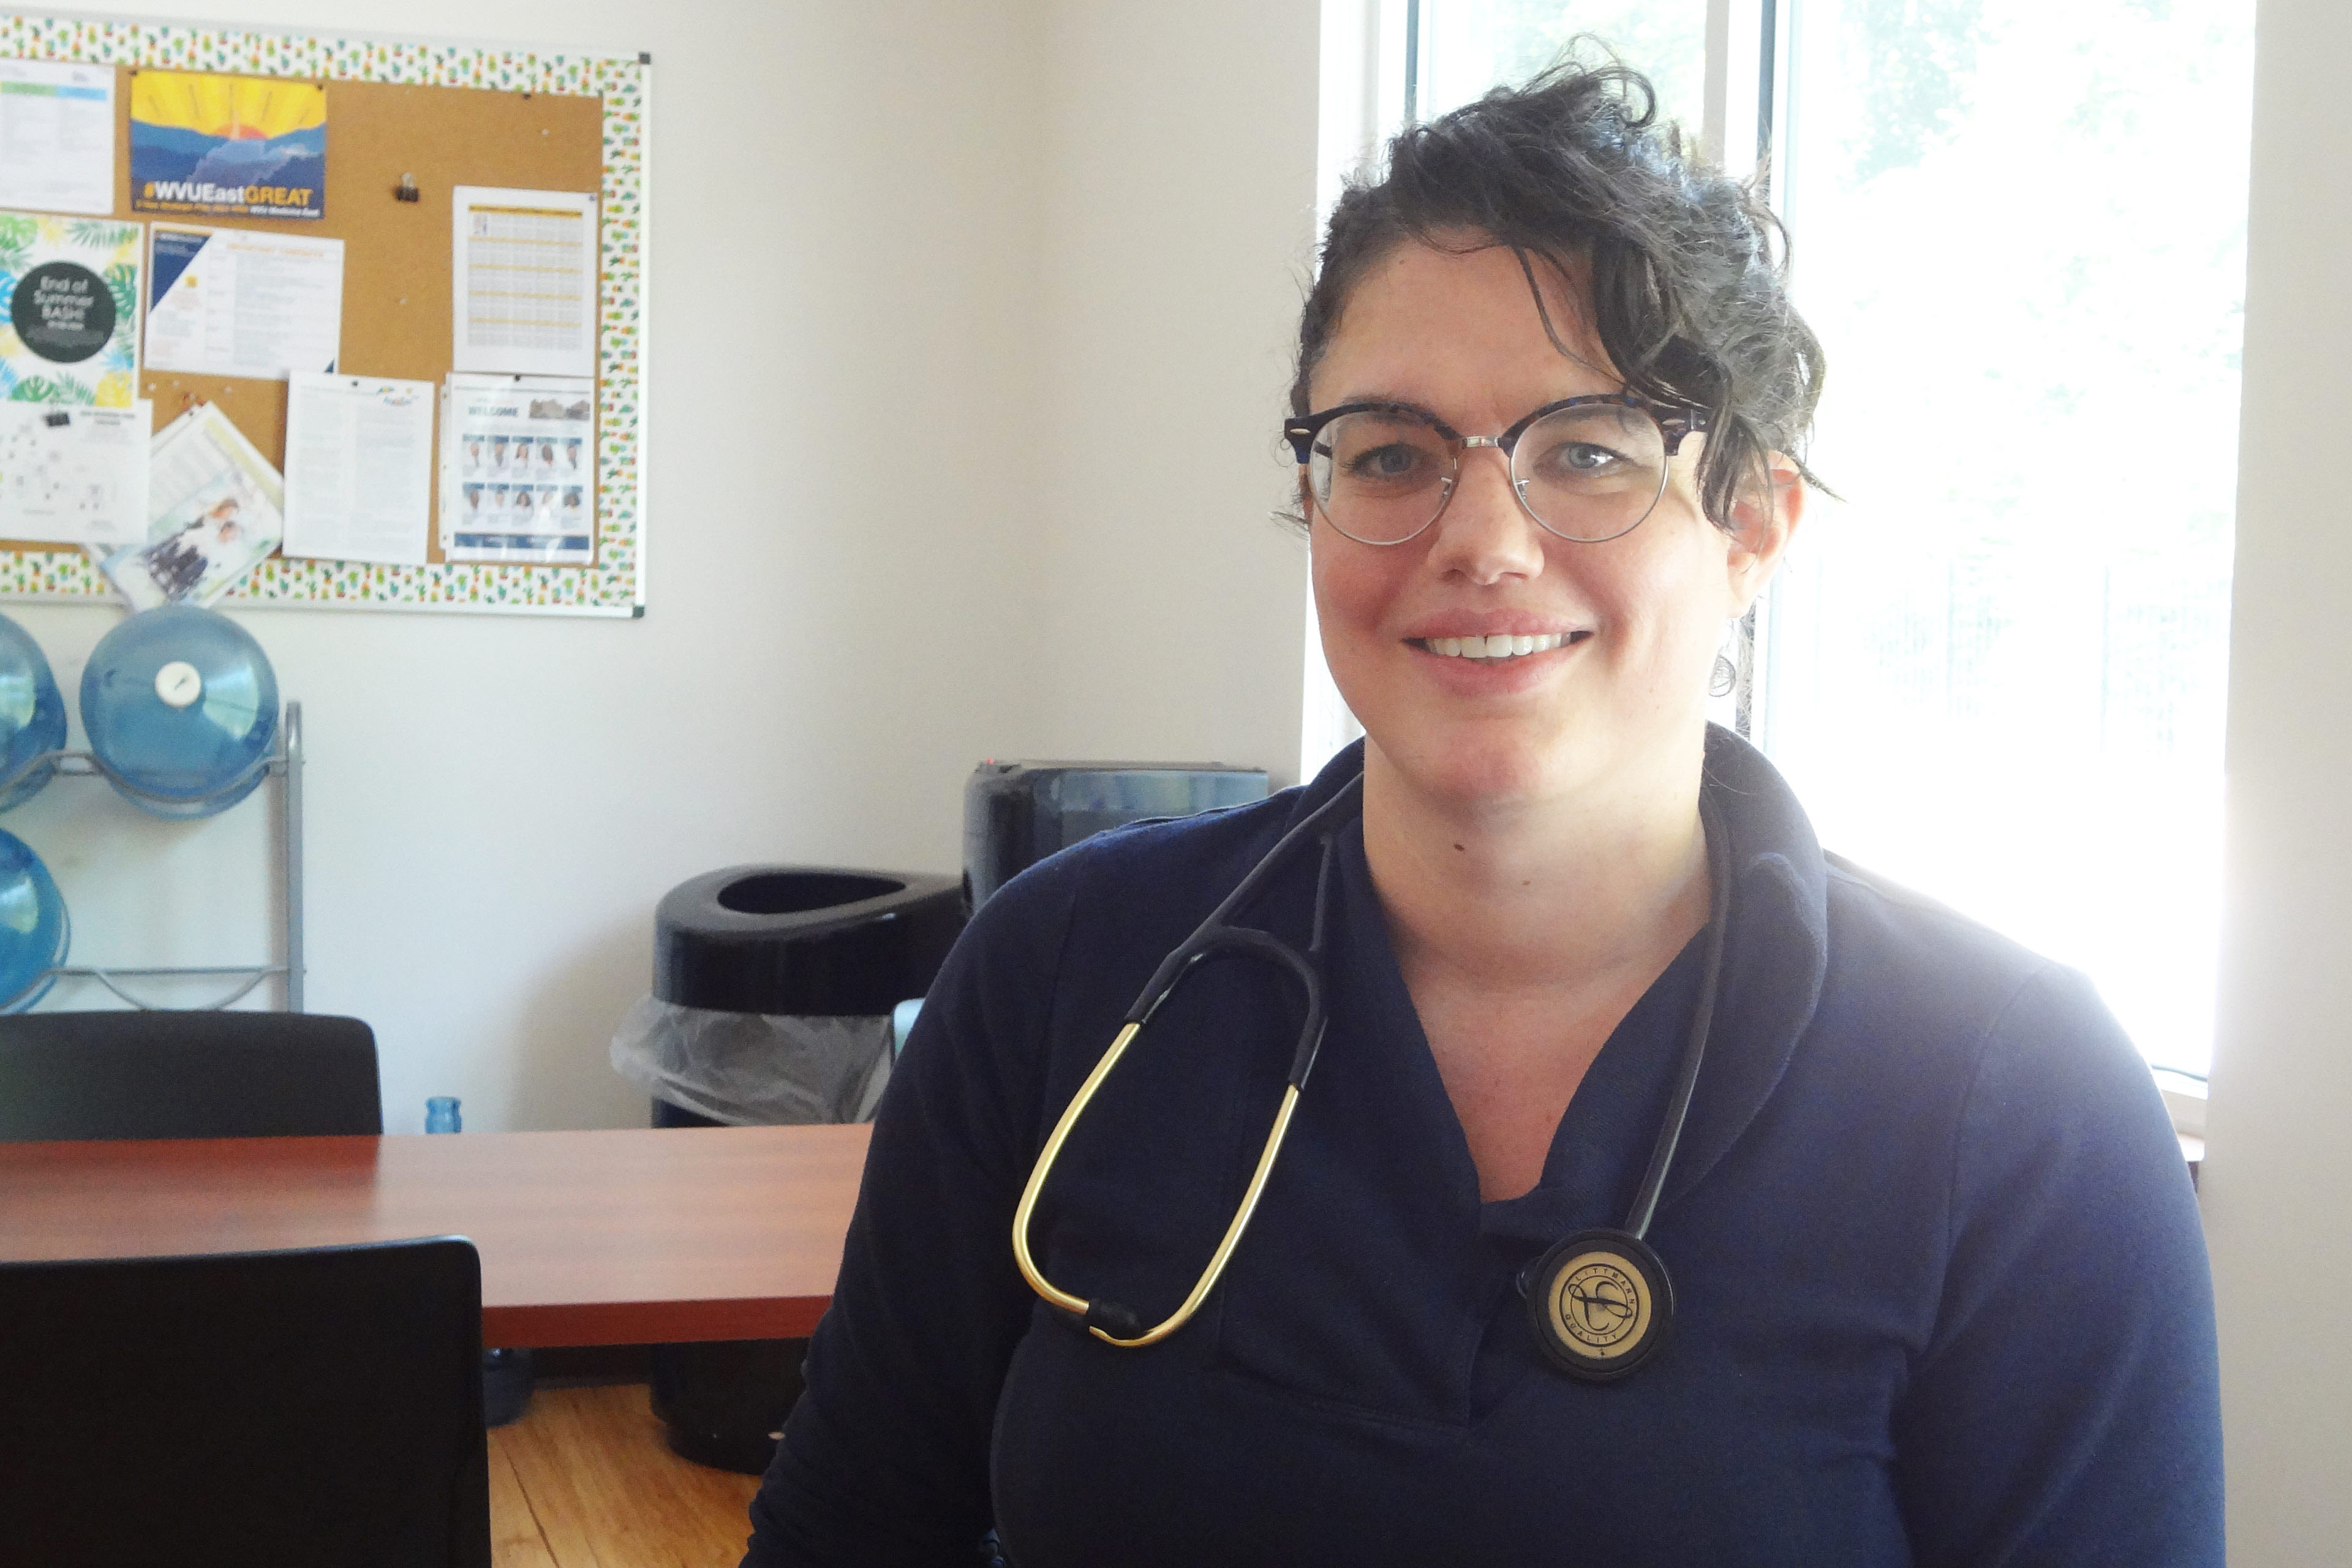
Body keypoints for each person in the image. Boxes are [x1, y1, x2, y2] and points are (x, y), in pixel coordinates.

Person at [742, 61, 2221, 1567]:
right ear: (1316, 505)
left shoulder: (2013, 1103)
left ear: (1754, 525)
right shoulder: (1064, 972)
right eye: (1391, 453)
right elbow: (847, 1533)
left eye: (1589, 450)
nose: (1485, 542)